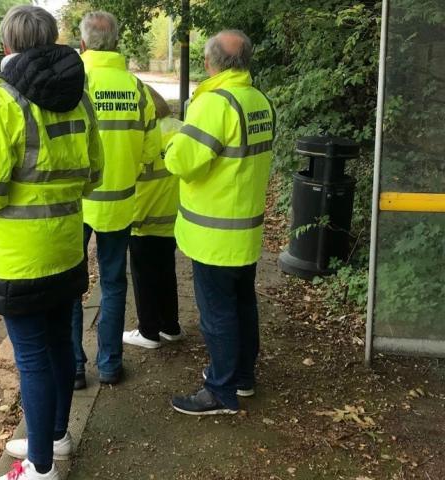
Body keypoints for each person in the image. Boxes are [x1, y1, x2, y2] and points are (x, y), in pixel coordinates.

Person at [0, 6, 103, 479]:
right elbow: (94, 173)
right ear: (52, 40)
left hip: (20, 259)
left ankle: (40, 467)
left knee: (33, 359)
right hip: (67, 248)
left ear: (8, 46)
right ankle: (53, 437)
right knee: (58, 346)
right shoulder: (79, 98)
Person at [165, 30, 275, 415]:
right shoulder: (258, 100)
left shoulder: (215, 104)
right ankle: (242, 377)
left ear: (210, 63)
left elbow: (182, 162)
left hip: (214, 234)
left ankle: (220, 391)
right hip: (245, 229)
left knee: (217, 314)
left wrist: (172, 141)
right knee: (243, 303)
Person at [71, 11, 160, 388]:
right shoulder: (136, 88)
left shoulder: (74, 83)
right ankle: (109, 365)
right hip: (121, 203)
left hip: (77, 203)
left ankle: (74, 367)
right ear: (118, 43)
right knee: (113, 283)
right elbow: (151, 148)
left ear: (83, 44)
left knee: (70, 286)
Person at [122, 86, 183, 349]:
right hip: (173, 217)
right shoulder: (180, 128)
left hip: (143, 217)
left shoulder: (140, 134)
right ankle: (170, 326)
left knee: (143, 277)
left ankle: (148, 332)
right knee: (166, 272)